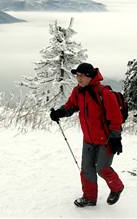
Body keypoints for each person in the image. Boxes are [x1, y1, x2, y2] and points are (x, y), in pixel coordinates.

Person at [50, 62, 124, 207]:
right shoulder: (78, 92)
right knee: (87, 169)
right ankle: (89, 197)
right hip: (89, 139)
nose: (79, 79)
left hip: (106, 139)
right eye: (77, 76)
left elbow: (115, 118)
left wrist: (116, 138)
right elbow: (71, 106)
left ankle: (117, 187)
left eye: (82, 76)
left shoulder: (104, 94)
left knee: (102, 169)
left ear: (90, 77)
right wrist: (59, 112)